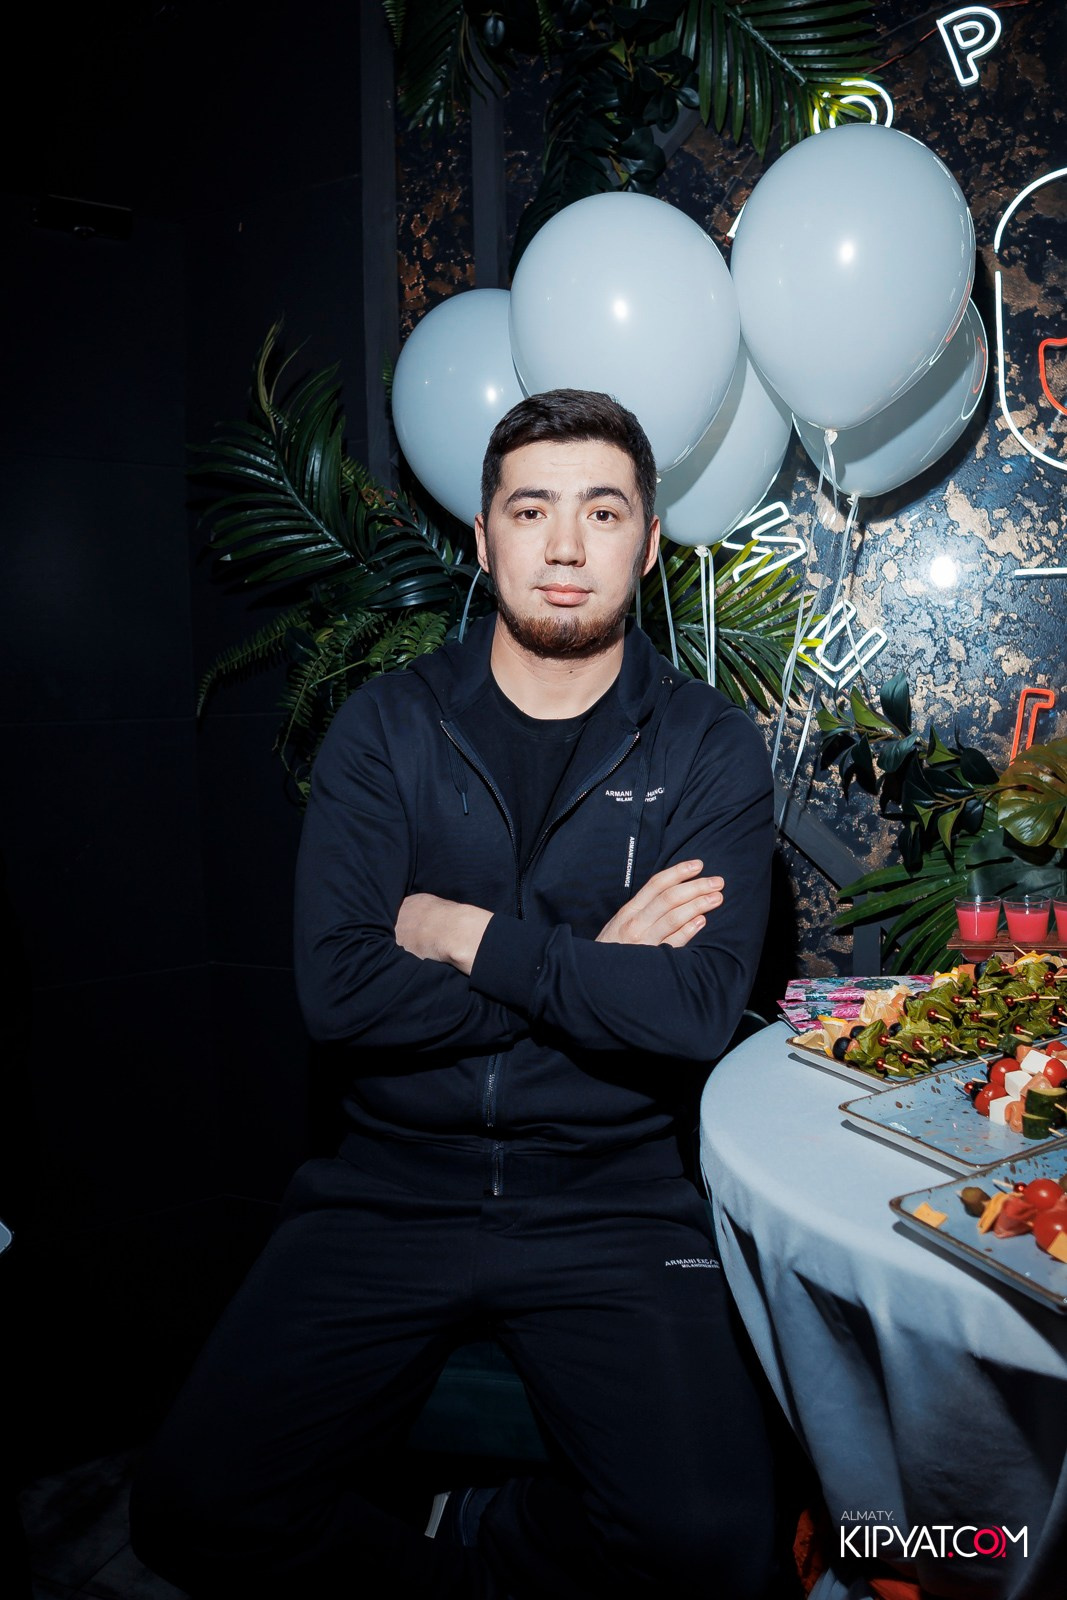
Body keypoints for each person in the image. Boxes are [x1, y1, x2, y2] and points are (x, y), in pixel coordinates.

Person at [130, 388, 780, 1599]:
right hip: (387, 1186)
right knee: (189, 1508)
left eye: (602, 511)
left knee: (716, 1550)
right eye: (531, 510)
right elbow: (340, 992)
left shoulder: (707, 744)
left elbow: (690, 1010)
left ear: (648, 543)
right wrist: (588, 961)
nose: (565, 544)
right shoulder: (387, 726)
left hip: (611, 1198)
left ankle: (489, 1533)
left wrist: (465, 935)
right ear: (482, 538)